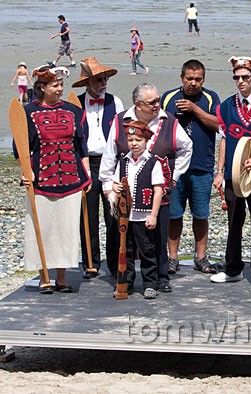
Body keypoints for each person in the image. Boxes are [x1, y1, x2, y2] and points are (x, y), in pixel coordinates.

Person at [99, 83, 192, 293]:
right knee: (124, 236)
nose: (158, 104)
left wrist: (174, 176)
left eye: (158, 100)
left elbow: (187, 147)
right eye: (152, 102)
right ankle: (121, 276)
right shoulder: (120, 120)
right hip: (126, 191)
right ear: (138, 104)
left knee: (158, 236)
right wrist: (107, 184)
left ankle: (160, 277)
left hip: (159, 191)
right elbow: (109, 153)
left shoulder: (169, 121)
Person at [15, 64, 91, 294]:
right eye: (54, 85)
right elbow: (20, 148)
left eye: (61, 85)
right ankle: (44, 276)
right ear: (42, 87)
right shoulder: (27, 112)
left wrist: (86, 176)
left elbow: (81, 145)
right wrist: (26, 173)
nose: (59, 89)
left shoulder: (73, 110)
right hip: (40, 181)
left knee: (66, 229)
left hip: (71, 179)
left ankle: (62, 277)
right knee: (43, 228)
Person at [210, 56, 251, 287]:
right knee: (234, 221)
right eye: (236, 77)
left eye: (245, 77)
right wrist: (219, 171)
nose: (240, 81)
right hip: (233, 175)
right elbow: (225, 140)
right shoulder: (227, 106)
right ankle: (233, 268)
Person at [161, 60, 220, 274]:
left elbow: (219, 125)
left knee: (201, 214)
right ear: (181, 78)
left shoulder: (210, 98)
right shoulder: (168, 98)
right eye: (189, 79)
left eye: (198, 79)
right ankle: (173, 258)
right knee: (174, 214)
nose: (193, 83)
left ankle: (201, 257)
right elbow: (158, 127)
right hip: (173, 167)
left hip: (202, 166)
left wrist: (195, 109)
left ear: (203, 80)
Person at [72, 57, 124, 278]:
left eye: (105, 78)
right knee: (88, 214)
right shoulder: (76, 104)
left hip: (110, 162)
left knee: (113, 214)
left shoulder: (116, 102)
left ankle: (114, 263)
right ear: (88, 82)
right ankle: (90, 264)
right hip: (86, 162)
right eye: (99, 79)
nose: (104, 82)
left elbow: (122, 134)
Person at [112, 121, 163, 299]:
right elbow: (116, 183)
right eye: (131, 139)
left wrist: (153, 215)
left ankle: (150, 283)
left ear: (146, 141)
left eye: (138, 140)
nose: (134, 143)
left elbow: (158, 190)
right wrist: (116, 187)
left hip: (143, 215)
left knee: (147, 250)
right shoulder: (123, 162)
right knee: (126, 249)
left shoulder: (153, 162)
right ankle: (126, 282)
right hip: (125, 216)